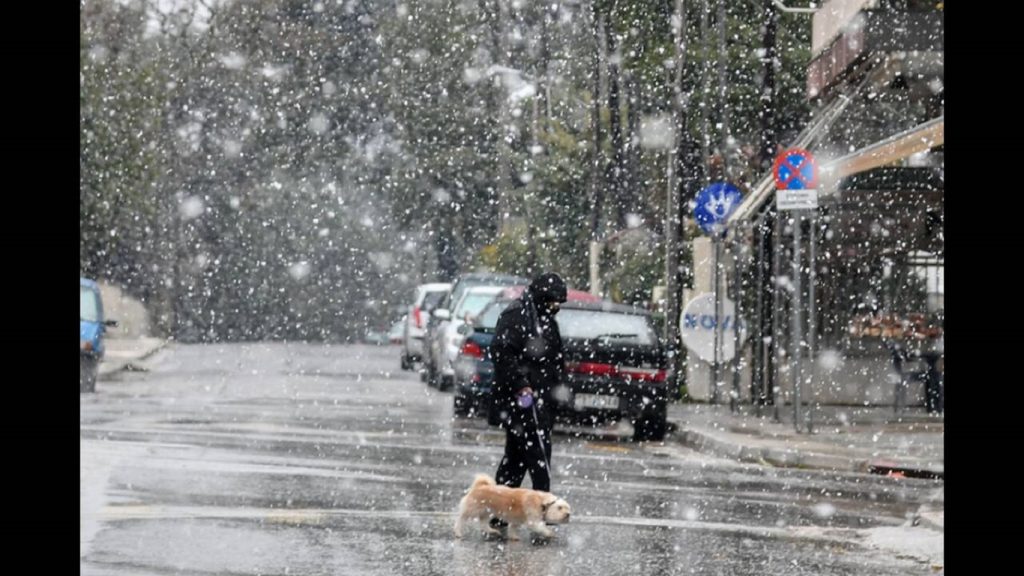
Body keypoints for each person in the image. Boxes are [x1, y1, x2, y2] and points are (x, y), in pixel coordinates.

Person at [490, 272, 568, 498]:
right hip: (523, 399)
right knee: (538, 453)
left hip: (539, 397)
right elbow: (502, 353)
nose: (556, 307)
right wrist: (522, 385)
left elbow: (552, 358)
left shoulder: (542, 318)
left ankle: (499, 506)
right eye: (553, 302)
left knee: (517, 457)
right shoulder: (517, 316)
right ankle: (544, 503)